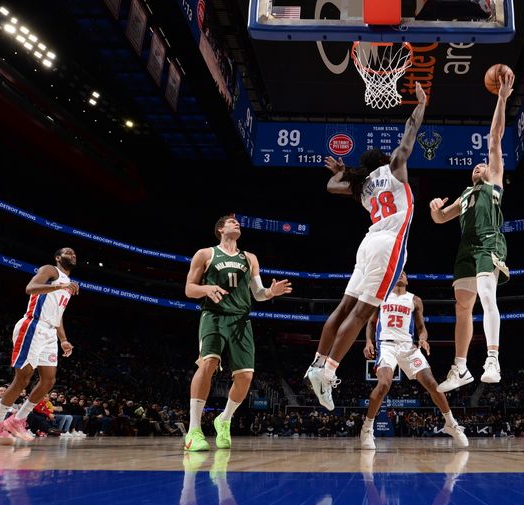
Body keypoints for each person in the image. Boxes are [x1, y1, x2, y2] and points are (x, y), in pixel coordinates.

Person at [305, 82, 427, 410]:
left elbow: (332, 186)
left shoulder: (362, 187)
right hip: (389, 245)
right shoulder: (395, 168)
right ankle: (328, 372)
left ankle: (318, 363)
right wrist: (421, 106)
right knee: (363, 313)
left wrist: (346, 172)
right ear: (384, 159)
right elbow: (409, 134)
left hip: (367, 243)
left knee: (344, 307)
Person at [429, 70, 515, 392]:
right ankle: (461, 368)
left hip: (489, 243)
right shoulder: (465, 195)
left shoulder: (493, 179)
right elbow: (440, 221)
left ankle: (492, 359)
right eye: (475, 166)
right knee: (462, 307)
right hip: (465, 250)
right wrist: (436, 211)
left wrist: (502, 99)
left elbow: (494, 138)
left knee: (487, 296)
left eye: (483, 164)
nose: (479, 166)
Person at [183, 215, 292, 452]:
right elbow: (189, 289)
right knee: (208, 362)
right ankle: (193, 431)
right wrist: (206, 288)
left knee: (245, 377)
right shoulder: (205, 254)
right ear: (220, 228)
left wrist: (271, 292)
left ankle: (224, 420)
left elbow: (258, 293)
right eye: (232, 222)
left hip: (241, 320)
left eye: (238, 223)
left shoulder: (250, 258)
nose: (237, 224)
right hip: (213, 315)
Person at [360, 271, 468, 449]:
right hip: (386, 346)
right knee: (384, 384)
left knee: (433, 384)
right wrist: (368, 342)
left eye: (404, 273)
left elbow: (421, 327)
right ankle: (367, 429)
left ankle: (451, 424)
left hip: (408, 347)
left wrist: (423, 338)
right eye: (398, 273)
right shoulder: (381, 296)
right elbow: (371, 323)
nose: (401, 275)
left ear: (407, 280)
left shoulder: (415, 300)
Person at [0, 247, 79, 445]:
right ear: (58, 257)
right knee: (23, 378)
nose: (72, 255)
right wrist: (58, 287)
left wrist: (63, 339)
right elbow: (30, 288)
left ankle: (18, 420)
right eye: (68, 252)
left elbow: (58, 315)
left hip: (50, 332)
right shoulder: (50, 270)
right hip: (33, 325)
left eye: (74, 253)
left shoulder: (67, 284)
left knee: (48, 381)